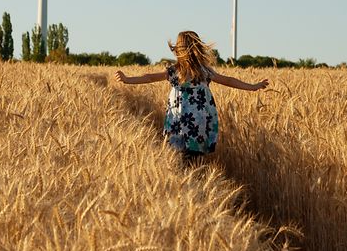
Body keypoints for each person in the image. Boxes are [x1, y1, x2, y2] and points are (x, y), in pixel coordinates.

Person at [114, 30, 268, 163]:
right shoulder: (204, 71)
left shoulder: (174, 71)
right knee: (195, 156)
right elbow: (228, 80)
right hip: (199, 121)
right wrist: (253, 87)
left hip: (179, 120)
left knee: (178, 155)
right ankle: (196, 177)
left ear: (178, 50)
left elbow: (148, 78)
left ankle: (186, 181)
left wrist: (128, 79)